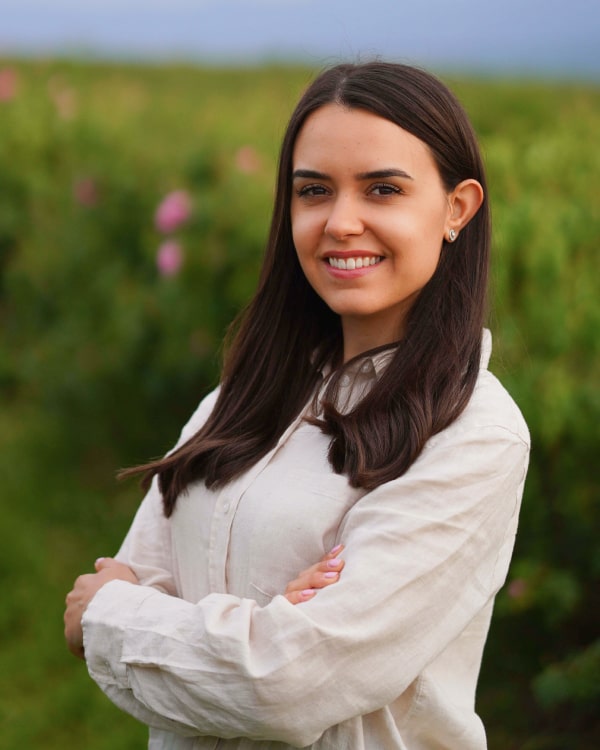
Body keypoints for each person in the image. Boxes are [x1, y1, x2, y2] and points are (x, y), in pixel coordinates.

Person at [64, 61, 530, 749]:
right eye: (314, 191)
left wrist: (113, 620)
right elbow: (144, 576)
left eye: (382, 189)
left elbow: (283, 684)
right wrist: (255, 627)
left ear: (457, 207)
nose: (342, 222)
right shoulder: (246, 394)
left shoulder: (474, 434)